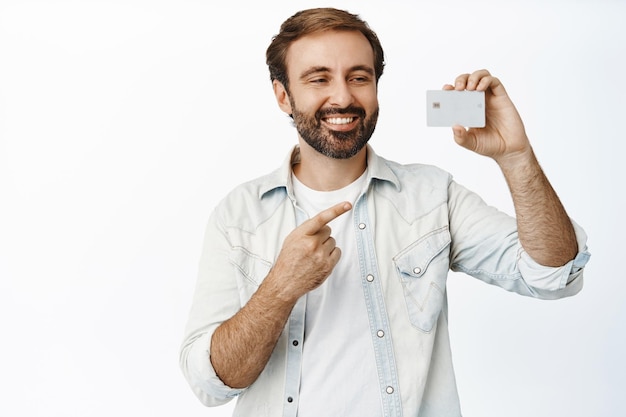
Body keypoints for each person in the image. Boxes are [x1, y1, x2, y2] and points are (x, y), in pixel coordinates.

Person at [179, 7, 590, 417]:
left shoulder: (432, 196)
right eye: (319, 78)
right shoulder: (237, 216)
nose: (342, 96)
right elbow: (210, 384)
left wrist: (516, 156)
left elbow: (554, 275)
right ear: (283, 95)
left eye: (359, 77)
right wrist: (280, 287)